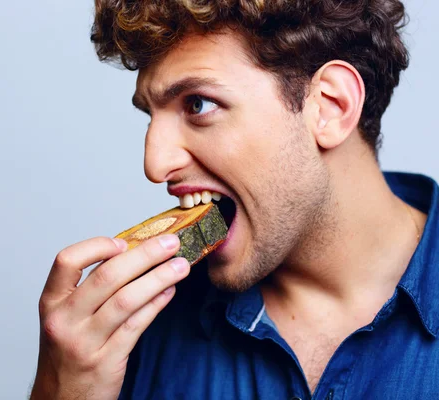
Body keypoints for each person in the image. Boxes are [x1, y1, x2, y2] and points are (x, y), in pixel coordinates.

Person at [31, 1, 439, 399]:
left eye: (198, 104)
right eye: (150, 115)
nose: (154, 165)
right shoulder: (122, 337)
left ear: (330, 107)